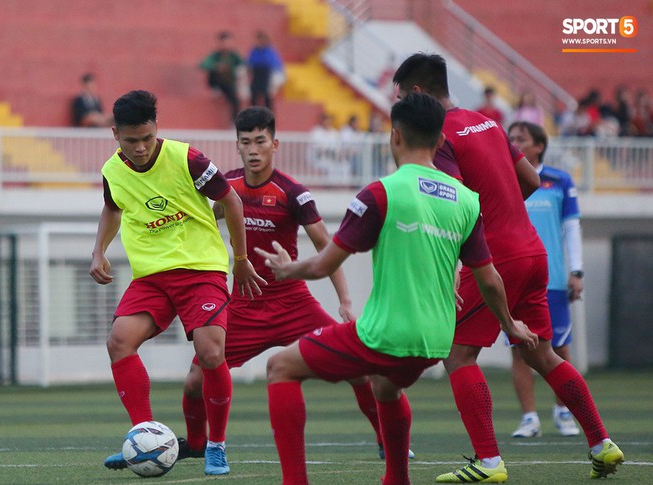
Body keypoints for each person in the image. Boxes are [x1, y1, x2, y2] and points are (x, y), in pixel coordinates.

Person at [255, 92, 538, 485]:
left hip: (386, 335)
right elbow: (489, 278)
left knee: (280, 367)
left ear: (395, 137)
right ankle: (397, 479)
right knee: (384, 387)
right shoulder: (466, 200)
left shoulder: (380, 193)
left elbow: (324, 264)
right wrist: (510, 326)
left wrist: (289, 269)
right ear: (441, 142)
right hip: (437, 339)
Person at [392, 53, 624, 482]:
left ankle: (489, 462)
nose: (399, 107)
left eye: (401, 98)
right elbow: (533, 181)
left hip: (496, 257)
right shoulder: (488, 123)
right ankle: (601, 444)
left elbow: (451, 200)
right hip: (534, 252)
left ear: (417, 94)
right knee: (542, 354)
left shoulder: (440, 135)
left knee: (458, 353)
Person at [176, 106, 413, 470]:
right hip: (243, 305)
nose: (253, 149)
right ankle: (201, 445)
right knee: (194, 381)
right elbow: (201, 222)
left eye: (260, 141)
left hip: (293, 303)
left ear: (275, 144)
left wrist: (345, 302)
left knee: (359, 370)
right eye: (245, 142)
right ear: (237, 147)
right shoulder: (229, 188)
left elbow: (327, 247)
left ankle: (385, 440)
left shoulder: (293, 193)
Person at [88, 90, 266, 477]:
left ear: (157, 129)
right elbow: (112, 207)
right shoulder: (112, 171)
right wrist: (98, 250)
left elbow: (231, 201)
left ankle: (215, 447)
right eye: (130, 140)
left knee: (210, 352)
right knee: (119, 341)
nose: (139, 148)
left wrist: (240, 260)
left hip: (201, 270)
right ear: (115, 133)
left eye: (147, 139)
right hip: (151, 278)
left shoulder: (188, 159)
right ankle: (145, 436)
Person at [507, 121, 583, 439]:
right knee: (520, 349)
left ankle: (563, 410)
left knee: (560, 348)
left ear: (539, 145)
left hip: (551, 279)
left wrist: (576, 271)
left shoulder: (559, 181)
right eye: (510, 139)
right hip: (514, 278)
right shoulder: (503, 179)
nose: (514, 143)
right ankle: (529, 418)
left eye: (520, 139)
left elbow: (570, 227)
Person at [199, 31, 245, 124]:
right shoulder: (215, 55)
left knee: (235, 99)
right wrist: (216, 67)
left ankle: (234, 121)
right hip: (217, 81)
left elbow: (242, 65)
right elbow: (204, 64)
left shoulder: (234, 56)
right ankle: (215, 90)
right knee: (214, 73)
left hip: (229, 82)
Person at [247, 31, 284, 111]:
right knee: (254, 96)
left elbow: (274, 65)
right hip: (256, 75)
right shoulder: (254, 51)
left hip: (268, 75)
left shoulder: (270, 51)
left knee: (267, 97)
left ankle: (269, 117)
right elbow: (249, 63)